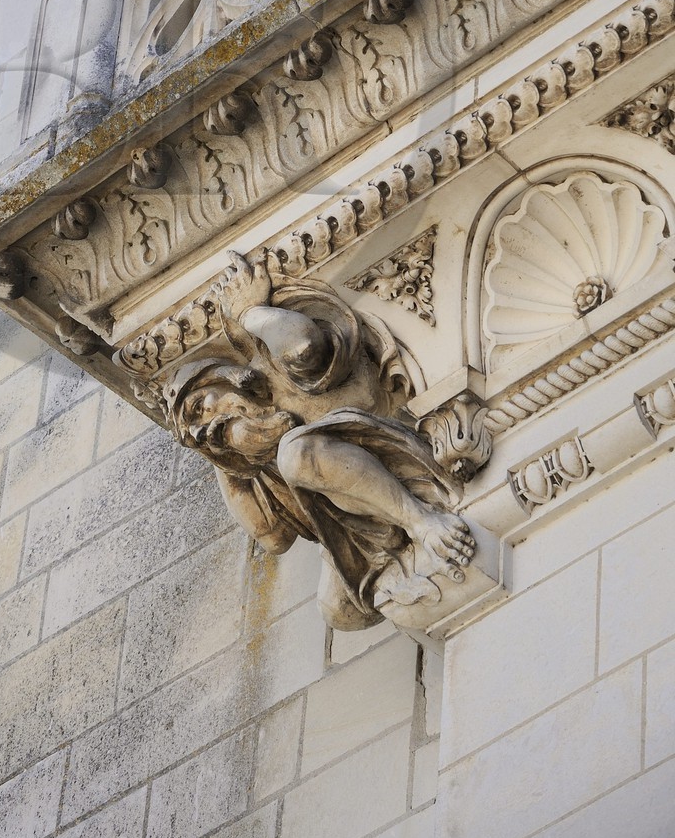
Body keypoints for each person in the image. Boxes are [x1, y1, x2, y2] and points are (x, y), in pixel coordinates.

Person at [161, 253, 474, 629]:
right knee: (339, 610)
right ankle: (404, 544)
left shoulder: (272, 368)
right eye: (195, 436)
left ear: (227, 375)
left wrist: (250, 314)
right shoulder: (260, 460)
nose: (205, 428)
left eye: (200, 408)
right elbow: (272, 537)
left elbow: (304, 346)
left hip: (404, 445)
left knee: (297, 454)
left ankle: (423, 521)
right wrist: (226, 457)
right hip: (361, 508)